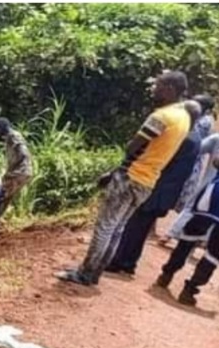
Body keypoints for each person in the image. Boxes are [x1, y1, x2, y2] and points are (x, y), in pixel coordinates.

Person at [57, 71, 190, 286]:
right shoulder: (183, 117)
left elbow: (132, 147)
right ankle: (94, 274)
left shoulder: (161, 117)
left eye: (158, 85)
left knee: (104, 227)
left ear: (170, 89)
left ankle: (85, 273)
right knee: (117, 228)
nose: (154, 89)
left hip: (130, 177)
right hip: (147, 181)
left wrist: (116, 172)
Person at [105, 100, 202, 275]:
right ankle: (128, 263)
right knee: (140, 229)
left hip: (157, 189)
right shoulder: (195, 138)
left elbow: (163, 162)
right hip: (166, 193)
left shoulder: (185, 138)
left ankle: (119, 261)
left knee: (133, 226)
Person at [154, 170, 219, 307]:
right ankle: (189, 290)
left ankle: (166, 274)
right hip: (210, 210)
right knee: (212, 256)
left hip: (205, 208)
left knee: (185, 244)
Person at [162, 94, 218, 246]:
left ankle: (171, 235)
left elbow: (195, 148)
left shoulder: (212, 133)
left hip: (208, 182)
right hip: (207, 180)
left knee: (192, 206)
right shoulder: (214, 136)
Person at [0, 117, 33, 234]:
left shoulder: (13, 136)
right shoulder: (11, 137)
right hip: (23, 171)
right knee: (6, 198)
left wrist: (11, 169)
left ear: (1, 128)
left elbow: (23, 153)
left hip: (19, 171)